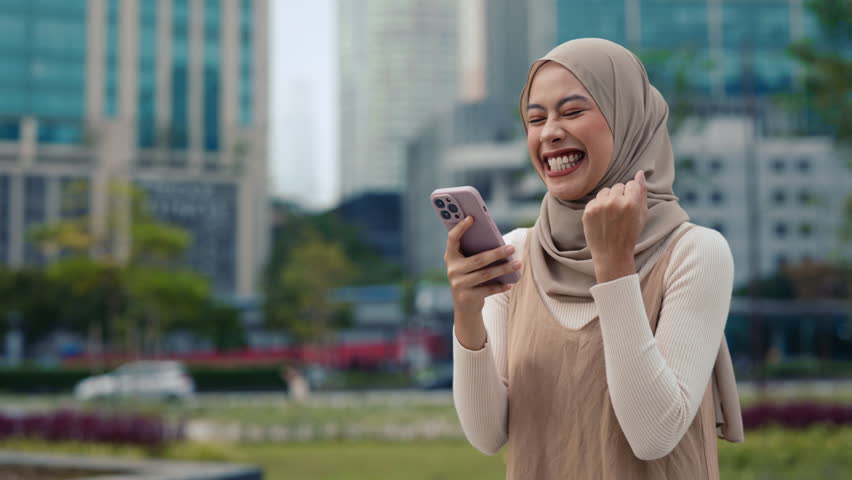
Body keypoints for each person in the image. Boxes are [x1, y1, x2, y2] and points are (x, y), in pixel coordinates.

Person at [445, 38, 744, 479]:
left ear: (628, 120)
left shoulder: (694, 251)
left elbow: (653, 435)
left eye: (572, 111)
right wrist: (467, 314)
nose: (549, 132)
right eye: (535, 118)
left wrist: (615, 263)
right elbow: (488, 435)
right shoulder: (517, 254)